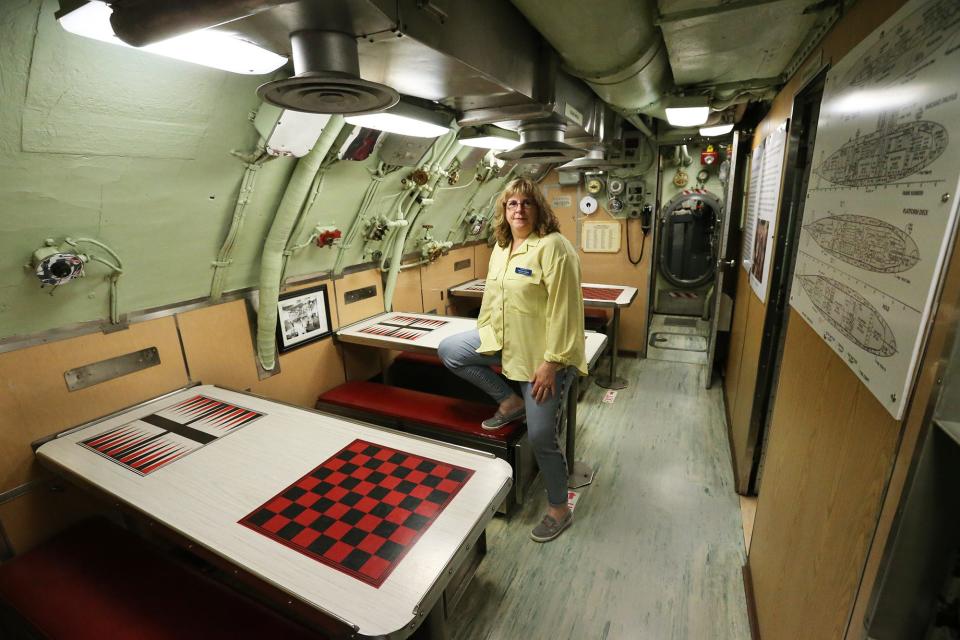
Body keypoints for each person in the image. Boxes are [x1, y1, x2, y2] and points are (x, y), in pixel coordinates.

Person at [438, 177, 587, 543]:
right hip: (508, 342)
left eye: (526, 203)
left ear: (539, 209)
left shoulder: (554, 247)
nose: (519, 210)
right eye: (512, 204)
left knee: (540, 436)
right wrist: (486, 336)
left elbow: (566, 309)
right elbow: (493, 300)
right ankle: (509, 400)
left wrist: (551, 362)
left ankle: (558, 508)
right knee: (452, 350)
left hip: (543, 357)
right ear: (504, 212)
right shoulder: (502, 248)